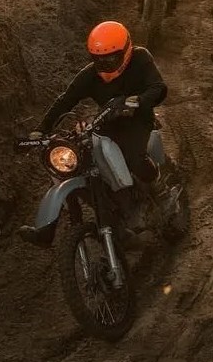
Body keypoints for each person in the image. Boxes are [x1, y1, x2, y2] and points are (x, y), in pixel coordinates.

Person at [28, 20, 167, 231]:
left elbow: (157, 86)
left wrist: (137, 101)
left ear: (126, 50)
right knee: (86, 160)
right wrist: (41, 128)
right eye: (99, 60)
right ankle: (112, 204)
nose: (105, 64)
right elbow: (66, 100)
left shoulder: (140, 59)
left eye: (111, 58)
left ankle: (159, 188)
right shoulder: (90, 75)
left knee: (133, 157)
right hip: (107, 122)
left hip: (139, 120)